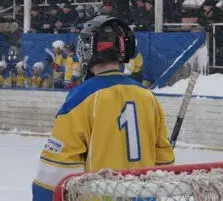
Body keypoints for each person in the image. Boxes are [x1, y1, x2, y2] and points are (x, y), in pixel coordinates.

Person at [32, 16, 175, 201]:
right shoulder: (148, 97)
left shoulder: (82, 97)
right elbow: (164, 161)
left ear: (86, 50)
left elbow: (56, 168)